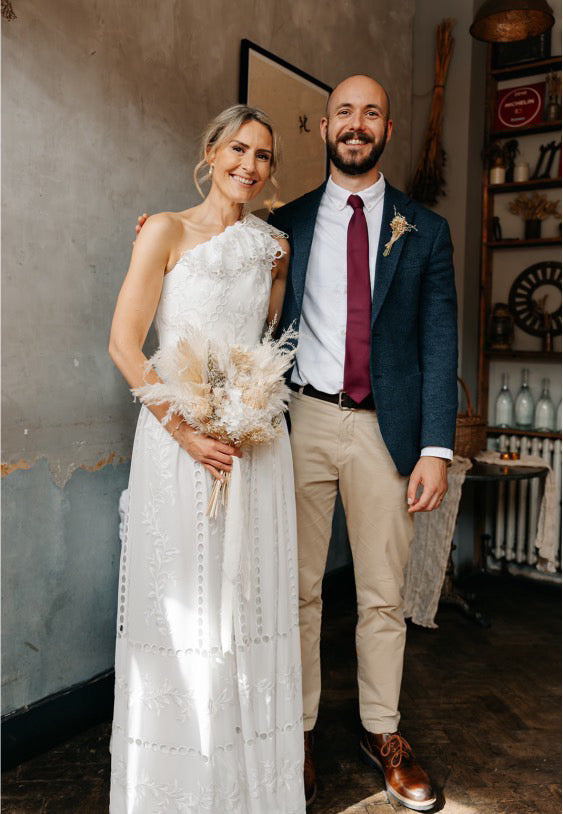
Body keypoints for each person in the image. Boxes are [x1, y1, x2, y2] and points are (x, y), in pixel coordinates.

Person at [108, 105, 306, 813]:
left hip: (254, 443)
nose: (249, 166)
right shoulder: (162, 229)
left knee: (244, 604)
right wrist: (187, 431)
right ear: (211, 150)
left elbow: (265, 342)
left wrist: (245, 409)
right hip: (177, 444)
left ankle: (247, 783)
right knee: (185, 604)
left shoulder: (273, 248)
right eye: (238, 149)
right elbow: (126, 346)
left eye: (263, 157)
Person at [269, 75, 458, 812]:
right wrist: (164, 229)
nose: (356, 123)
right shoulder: (283, 223)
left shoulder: (425, 230)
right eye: (344, 112)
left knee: (382, 595)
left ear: (385, 129)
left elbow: (438, 342)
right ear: (323, 127)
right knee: (296, 592)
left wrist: (435, 448)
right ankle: (298, 729)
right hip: (301, 423)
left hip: (388, 430)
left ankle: (382, 732)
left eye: (371, 112)